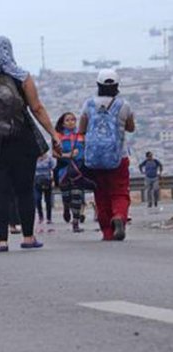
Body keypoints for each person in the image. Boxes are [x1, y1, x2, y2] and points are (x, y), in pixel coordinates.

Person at [0, 36, 61, 252]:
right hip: (21, 141)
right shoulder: (22, 77)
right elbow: (37, 108)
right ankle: (28, 237)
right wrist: (53, 133)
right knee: (24, 190)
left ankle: (1, 241)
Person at [79, 69, 135, 241]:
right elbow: (131, 128)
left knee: (101, 194)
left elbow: (81, 130)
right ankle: (119, 216)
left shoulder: (88, 104)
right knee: (119, 192)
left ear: (98, 85)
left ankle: (107, 232)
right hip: (118, 156)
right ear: (117, 86)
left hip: (95, 159)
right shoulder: (124, 105)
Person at [53, 112, 86, 232]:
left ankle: (76, 222)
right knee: (67, 196)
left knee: (77, 195)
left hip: (78, 170)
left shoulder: (81, 135)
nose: (71, 122)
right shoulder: (58, 136)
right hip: (64, 170)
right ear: (63, 123)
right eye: (67, 120)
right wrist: (68, 155)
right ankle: (66, 207)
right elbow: (54, 153)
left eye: (73, 119)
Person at [34, 153, 55, 224]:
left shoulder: (49, 158)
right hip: (37, 181)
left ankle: (49, 218)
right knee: (37, 199)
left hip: (47, 180)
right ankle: (40, 216)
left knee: (48, 200)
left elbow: (53, 169)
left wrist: (53, 180)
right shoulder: (34, 158)